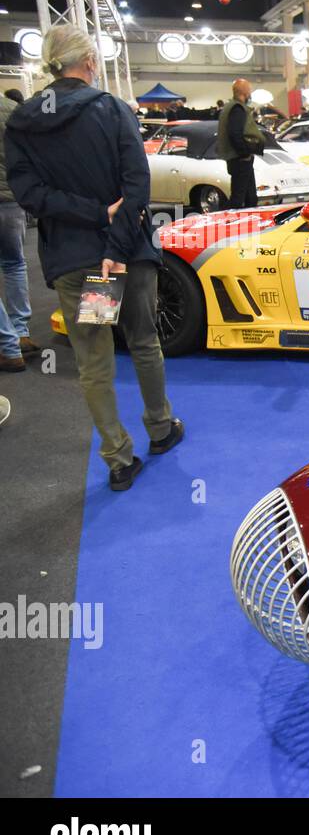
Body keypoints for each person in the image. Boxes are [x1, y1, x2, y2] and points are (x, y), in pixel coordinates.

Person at [3, 24, 183, 491]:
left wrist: (91, 219)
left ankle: (118, 459)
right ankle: (160, 430)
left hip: (73, 257)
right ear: (88, 62)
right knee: (143, 342)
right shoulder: (110, 110)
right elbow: (136, 187)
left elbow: (31, 194)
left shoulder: (22, 121)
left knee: (94, 359)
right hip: (120, 256)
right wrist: (116, 247)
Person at [0, 88, 36, 372]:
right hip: (12, 200)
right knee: (14, 264)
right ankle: (21, 332)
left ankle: (8, 346)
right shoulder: (14, 111)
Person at [215, 79, 266, 209]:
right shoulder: (237, 109)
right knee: (238, 199)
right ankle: (226, 223)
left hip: (239, 159)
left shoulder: (231, 107)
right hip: (240, 159)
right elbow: (235, 134)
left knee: (250, 198)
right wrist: (244, 153)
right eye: (249, 90)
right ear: (244, 92)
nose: (250, 93)